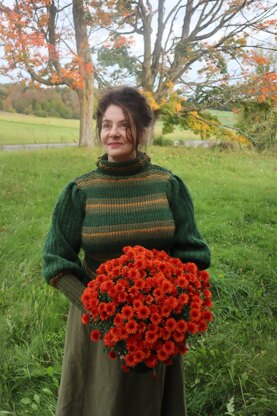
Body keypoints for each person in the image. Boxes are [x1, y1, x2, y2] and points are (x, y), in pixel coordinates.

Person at [42, 86, 211, 416]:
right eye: (107, 124)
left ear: (143, 130)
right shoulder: (80, 191)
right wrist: (100, 312)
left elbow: (193, 252)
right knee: (98, 402)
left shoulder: (168, 186)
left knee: (148, 403)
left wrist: (168, 305)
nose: (114, 133)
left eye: (124, 124)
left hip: (157, 327)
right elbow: (55, 261)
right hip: (95, 328)